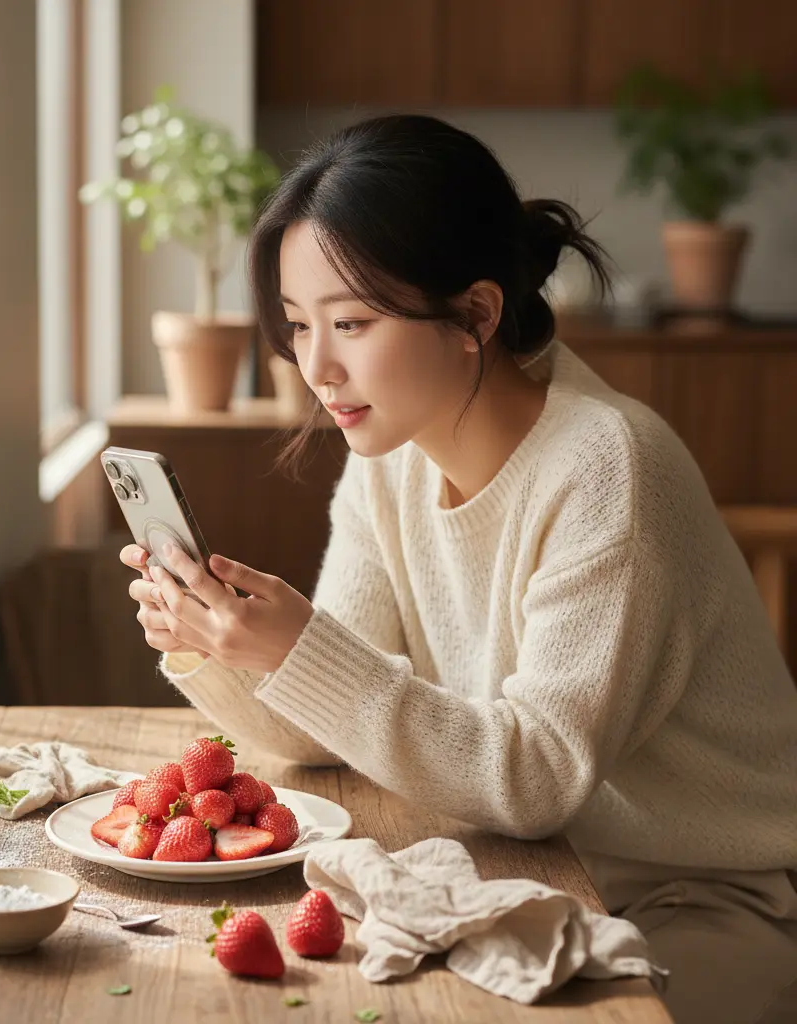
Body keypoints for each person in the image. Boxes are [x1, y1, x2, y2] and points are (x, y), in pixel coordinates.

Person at [120, 114, 797, 1023]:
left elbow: (534, 775)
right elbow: (326, 730)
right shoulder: (389, 457)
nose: (316, 366)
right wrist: (219, 642)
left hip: (699, 895)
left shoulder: (608, 469)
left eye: (351, 322)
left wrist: (294, 651)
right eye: (297, 325)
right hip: (526, 872)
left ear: (475, 314)